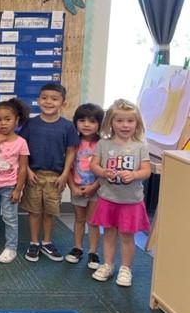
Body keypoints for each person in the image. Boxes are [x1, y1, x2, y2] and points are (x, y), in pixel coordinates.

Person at [90, 99, 151, 287]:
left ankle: (126, 268)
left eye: (130, 121)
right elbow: (94, 165)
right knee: (108, 234)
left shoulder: (140, 146)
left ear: (137, 123)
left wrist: (133, 174)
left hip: (131, 201)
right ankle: (108, 264)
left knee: (127, 236)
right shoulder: (103, 144)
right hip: (109, 199)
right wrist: (103, 172)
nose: (125, 125)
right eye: (120, 121)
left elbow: (146, 171)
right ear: (111, 123)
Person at [19, 83, 79, 263]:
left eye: (54, 99)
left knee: (50, 212)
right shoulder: (31, 124)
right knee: (34, 211)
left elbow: (71, 151)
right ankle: (34, 242)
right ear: (38, 100)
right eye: (44, 98)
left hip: (55, 177)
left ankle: (47, 241)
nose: (48, 102)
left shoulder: (67, 126)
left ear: (63, 103)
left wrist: (64, 175)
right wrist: (27, 171)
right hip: (34, 175)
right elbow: (22, 149)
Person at [0, 98, 30, 264]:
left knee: (10, 218)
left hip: (9, 186)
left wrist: (18, 189)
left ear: (16, 120)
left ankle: (11, 247)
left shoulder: (21, 142)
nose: (3, 123)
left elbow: (23, 168)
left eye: (7, 119)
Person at [65, 103, 104, 269]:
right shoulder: (73, 143)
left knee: (93, 222)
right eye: (82, 120)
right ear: (75, 122)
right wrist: (72, 187)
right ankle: (77, 248)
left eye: (92, 121)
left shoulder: (103, 144)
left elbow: (105, 171)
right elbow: (67, 167)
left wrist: (94, 187)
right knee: (79, 219)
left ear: (100, 124)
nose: (86, 125)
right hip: (77, 188)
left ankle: (93, 252)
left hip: (97, 189)